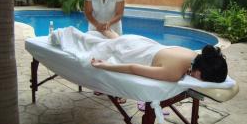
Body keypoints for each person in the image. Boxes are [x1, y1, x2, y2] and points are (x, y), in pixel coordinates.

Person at [90, 30, 228, 83]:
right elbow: (133, 68)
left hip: (139, 41)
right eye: (203, 79)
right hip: (132, 51)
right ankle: (106, 32)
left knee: (117, 40)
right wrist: (106, 65)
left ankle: (107, 31)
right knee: (99, 43)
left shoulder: (193, 54)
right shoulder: (174, 74)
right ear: (198, 72)